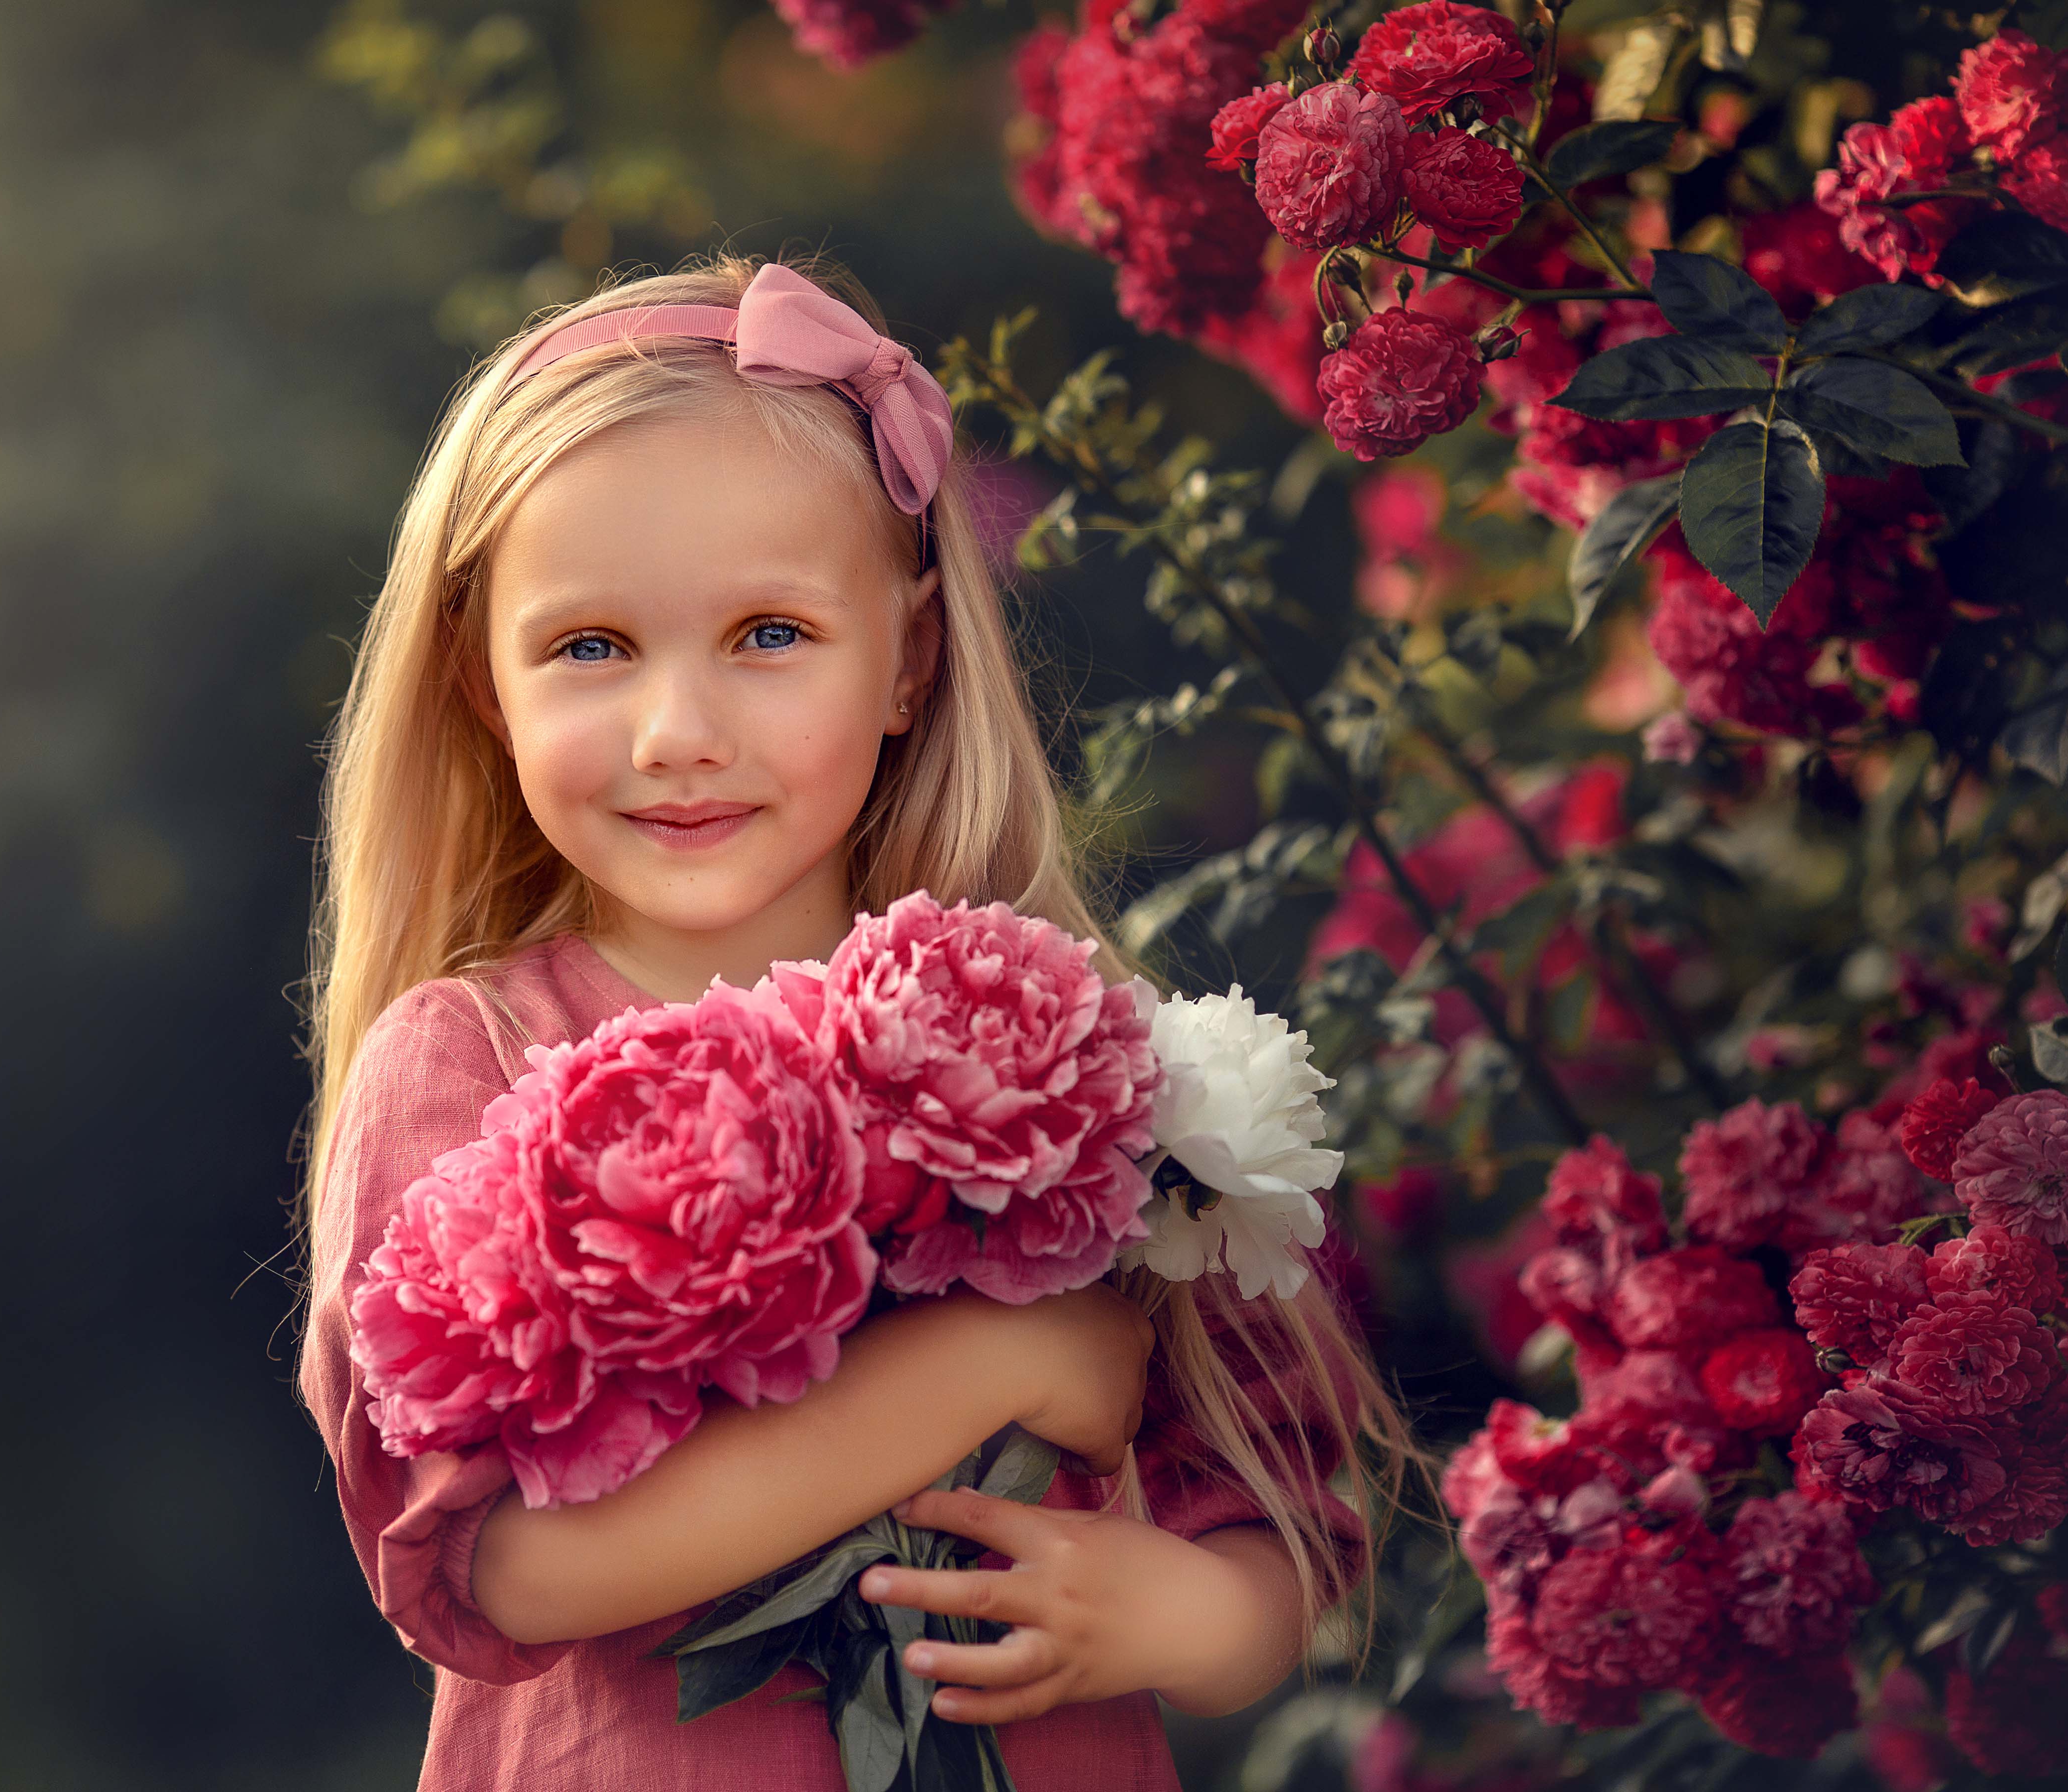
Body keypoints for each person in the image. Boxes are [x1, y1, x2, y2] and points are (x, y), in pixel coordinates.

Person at [293, 249, 1417, 1790]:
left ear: (912, 660)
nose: (678, 733)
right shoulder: (468, 1056)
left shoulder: (1053, 1046)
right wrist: (992, 1363)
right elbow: (507, 1573)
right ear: (488, 688)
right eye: (590, 648)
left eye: (769, 634)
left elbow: (1280, 1506)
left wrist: (1187, 1614)